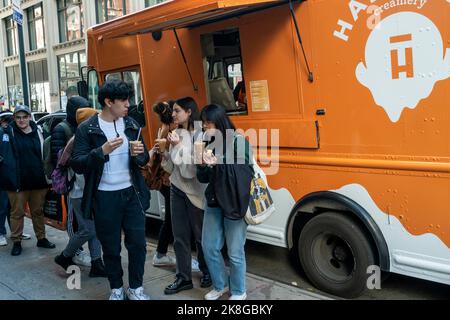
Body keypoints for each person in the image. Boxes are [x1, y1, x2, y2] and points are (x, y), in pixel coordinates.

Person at [71, 79, 151, 300]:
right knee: (111, 247)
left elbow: (143, 161)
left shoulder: (132, 125)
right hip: (104, 196)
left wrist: (139, 154)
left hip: (132, 193)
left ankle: (136, 288)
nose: (128, 104)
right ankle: (116, 288)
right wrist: (101, 151)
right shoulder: (87, 128)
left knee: (138, 244)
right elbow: (77, 162)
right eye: (123, 100)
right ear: (108, 102)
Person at [197, 104, 254, 300]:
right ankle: (220, 285)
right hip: (214, 201)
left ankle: (239, 291)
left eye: (208, 123)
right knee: (209, 246)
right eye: (203, 123)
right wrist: (203, 165)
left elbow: (245, 171)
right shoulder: (207, 142)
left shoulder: (238, 141)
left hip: (235, 201)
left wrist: (218, 163)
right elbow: (202, 178)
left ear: (220, 122)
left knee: (235, 251)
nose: (205, 127)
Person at [161, 97, 212, 295]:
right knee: (179, 236)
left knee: (200, 236)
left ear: (189, 111)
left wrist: (180, 147)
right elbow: (171, 168)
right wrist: (165, 153)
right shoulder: (176, 133)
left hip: (196, 191)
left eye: (177, 110)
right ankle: (183, 278)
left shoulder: (203, 133)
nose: (173, 114)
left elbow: (193, 171)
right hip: (176, 188)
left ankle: (207, 271)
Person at [54, 107, 106, 278]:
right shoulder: (78, 141)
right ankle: (65, 256)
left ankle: (97, 263)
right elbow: (80, 172)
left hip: (87, 192)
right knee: (88, 229)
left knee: (95, 228)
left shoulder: (84, 138)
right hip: (79, 193)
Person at [2, 105, 56, 256]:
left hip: (38, 180)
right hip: (17, 181)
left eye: (24, 117)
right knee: (17, 213)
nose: (21, 120)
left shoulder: (39, 131)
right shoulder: (7, 132)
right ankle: (17, 241)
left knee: (38, 212)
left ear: (29, 117)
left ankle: (41, 238)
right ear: (14, 118)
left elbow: (47, 152)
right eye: (18, 117)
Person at [51, 96, 92, 267]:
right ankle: (74, 252)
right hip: (72, 181)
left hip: (86, 182)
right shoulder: (62, 128)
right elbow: (57, 158)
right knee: (72, 219)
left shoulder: (85, 126)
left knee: (86, 223)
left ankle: (81, 253)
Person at [0, 112, 31, 246]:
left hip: (16, 175)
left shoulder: (15, 133)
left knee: (15, 207)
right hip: (3, 176)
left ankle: (15, 231)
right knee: (2, 206)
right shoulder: (2, 133)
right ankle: (1, 233)